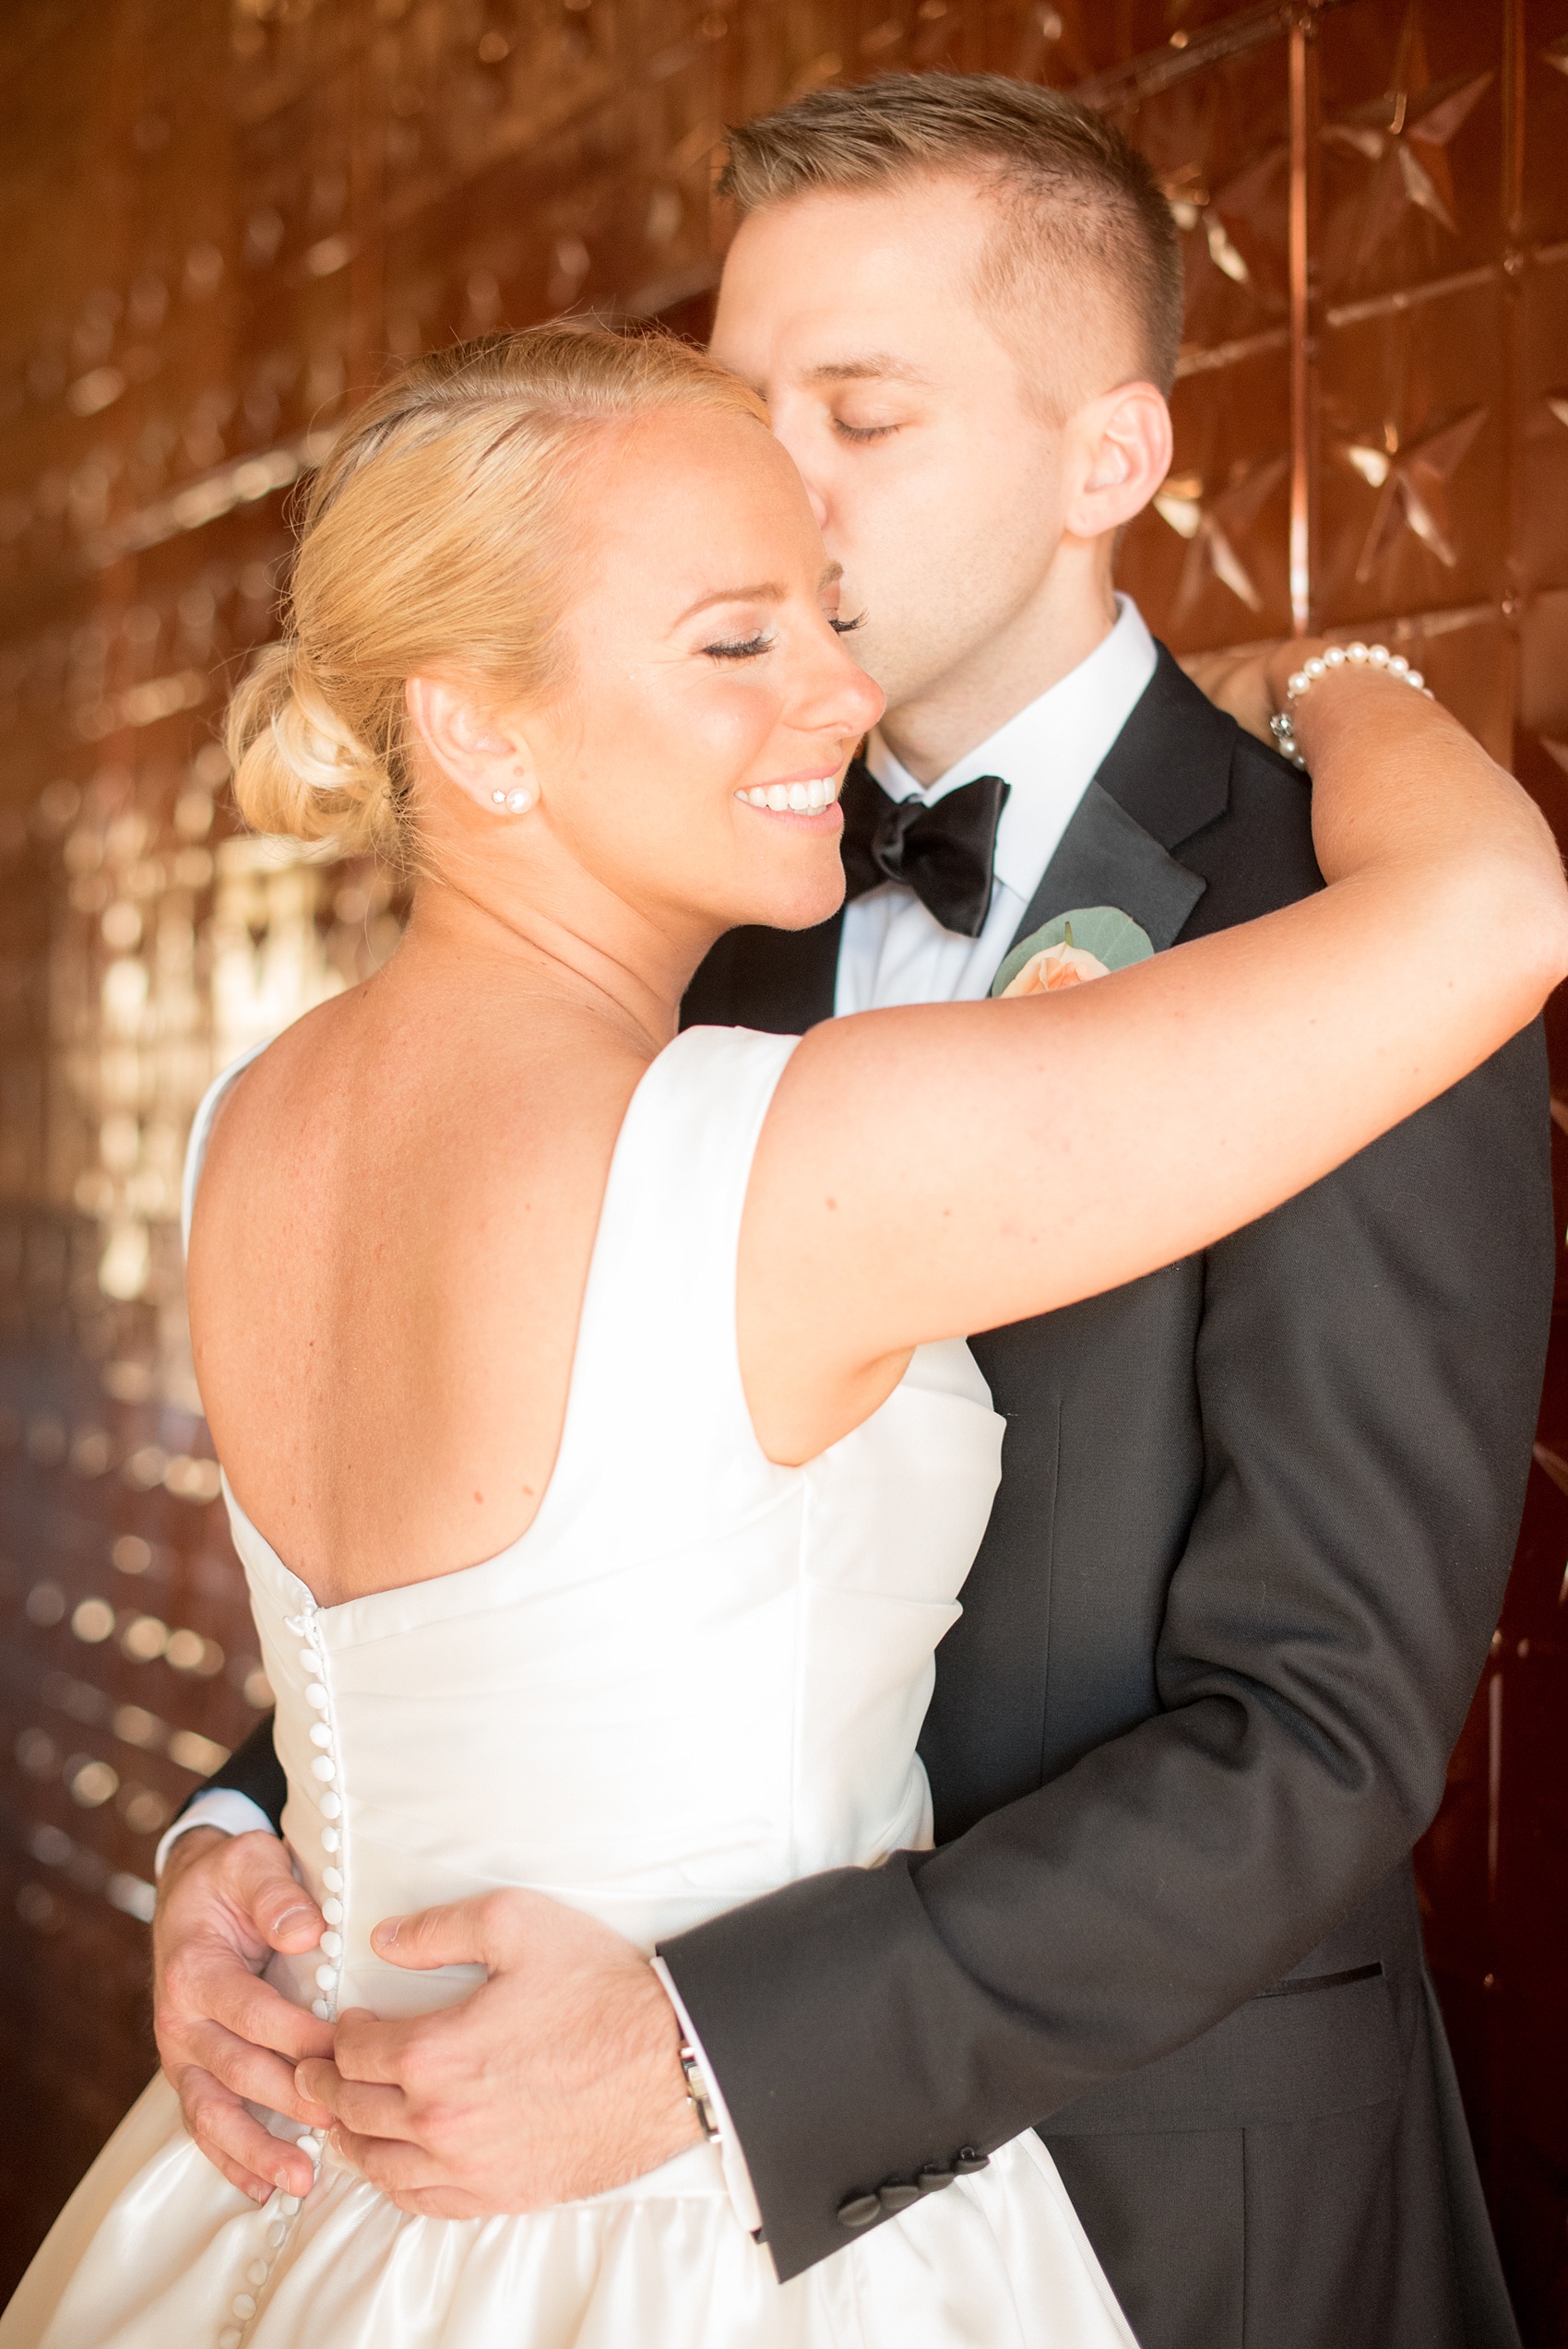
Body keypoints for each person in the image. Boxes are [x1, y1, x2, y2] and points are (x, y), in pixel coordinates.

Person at [103, 86, 1554, 2349]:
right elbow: (505, 1578)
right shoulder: (699, 904)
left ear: (1109, 462)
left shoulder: (1300, 907)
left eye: (853, 413)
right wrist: (229, 1834)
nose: (778, 473)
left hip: (1189, 2208)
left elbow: (1329, 1730)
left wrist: (712, 2035)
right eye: (739, 399)